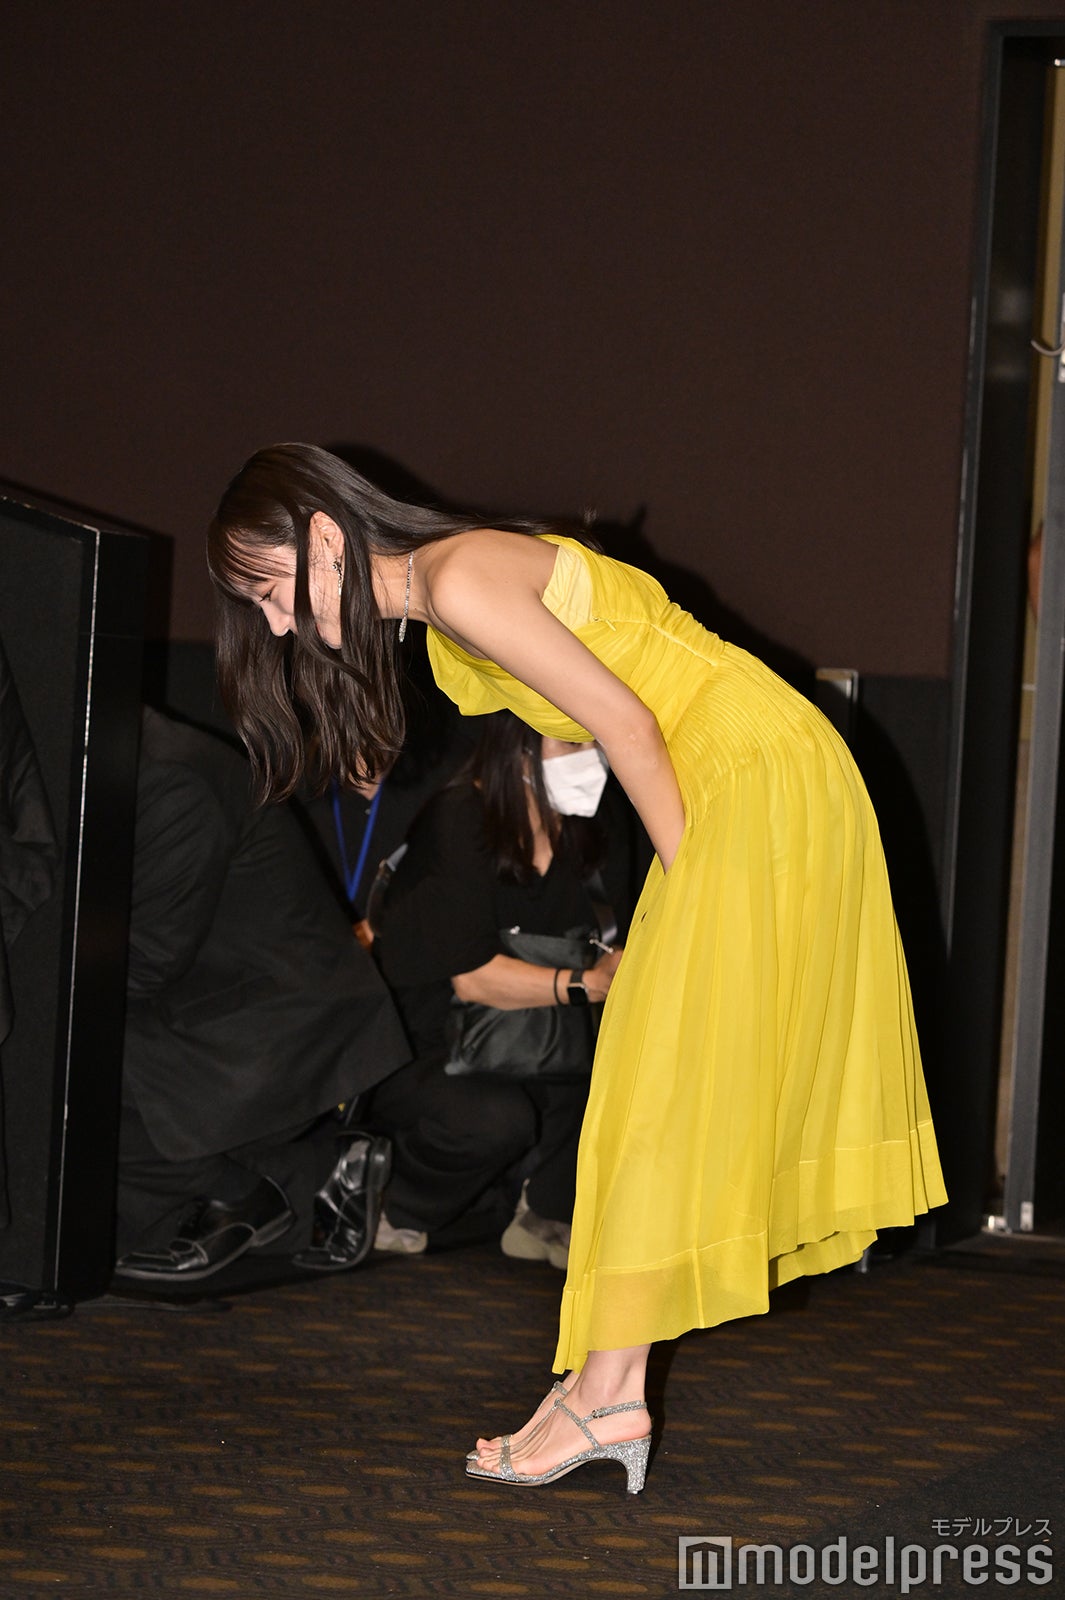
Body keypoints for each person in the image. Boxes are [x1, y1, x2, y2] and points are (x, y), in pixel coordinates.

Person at [206, 443, 947, 1494]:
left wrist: (694, 877)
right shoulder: (440, 594)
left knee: (656, 1081)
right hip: (735, 765)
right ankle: (602, 1387)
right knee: (655, 1085)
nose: (277, 624)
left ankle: (605, 1394)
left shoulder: (457, 578)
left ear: (325, 536)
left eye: (270, 590)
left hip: (744, 772)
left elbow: (629, 723)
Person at [114, 708, 407, 1285]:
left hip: (276, 1020)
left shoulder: (172, 777)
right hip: (224, 1000)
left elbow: (148, 960)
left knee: (60, 1071)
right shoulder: (139, 756)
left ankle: (240, 1192)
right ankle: (316, 1177)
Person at [373, 709, 649, 1266]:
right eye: (571, 743)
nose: (592, 759)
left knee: (640, 1068)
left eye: (595, 743)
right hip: (430, 1043)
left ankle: (544, 1211)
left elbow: (614, 944)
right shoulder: (461, 816)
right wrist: (586, 984)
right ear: (517, 743)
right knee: (495, 1119)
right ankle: (397, 1207)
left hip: (540, 1039)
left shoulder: (594, 823)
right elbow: (474, 978)